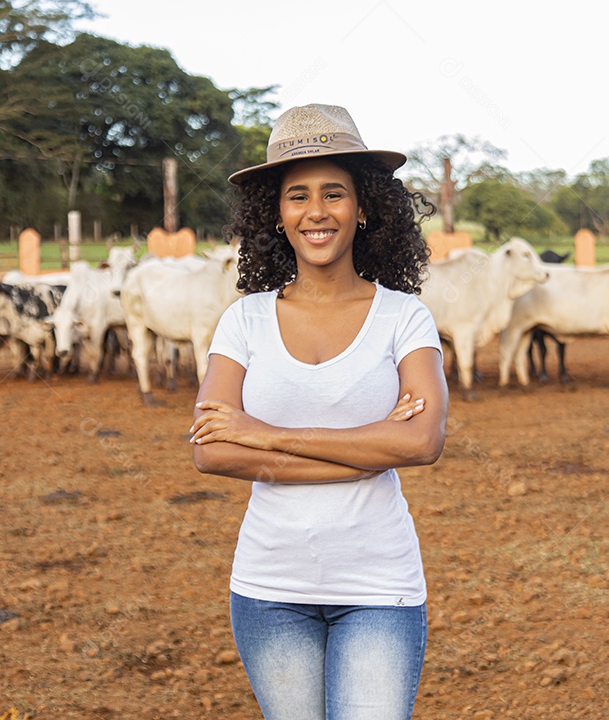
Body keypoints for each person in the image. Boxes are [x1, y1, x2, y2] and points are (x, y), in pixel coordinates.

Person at [189, 103, 449, 720]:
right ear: (276, 215)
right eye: (296, 195)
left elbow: (420, 444)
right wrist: (366, 451)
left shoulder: (403, 317)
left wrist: (263, 434)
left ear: (364, 208)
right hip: (268, 589)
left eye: (334, 193)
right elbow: (211, 450)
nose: (316, 211)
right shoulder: (245, 321)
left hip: (378, 588)